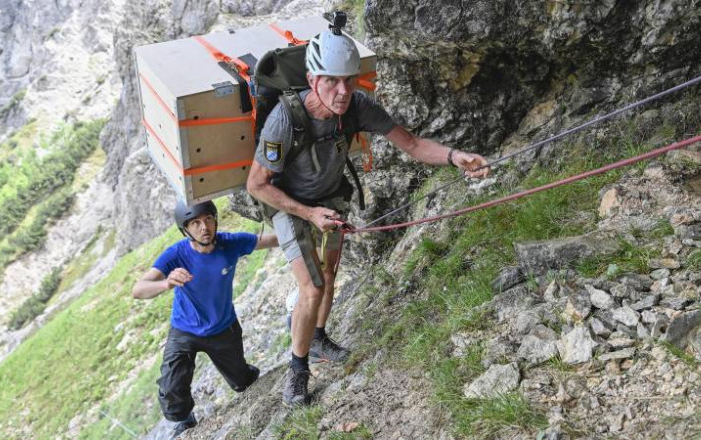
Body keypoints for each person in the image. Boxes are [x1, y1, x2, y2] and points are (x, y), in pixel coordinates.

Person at [246, 28, 490, 407]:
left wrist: (456, 157)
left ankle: (319, 337)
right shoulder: (285, 118)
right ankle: (298, 371)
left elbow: (411, 144)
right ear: (313, 79)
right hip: (289, 203)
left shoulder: (359, 107)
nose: (342, 91)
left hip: (330, 198)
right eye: (331, 81)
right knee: (310, 287)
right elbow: (257, 184)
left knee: (327, 275)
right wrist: (309, 213)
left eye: (349, 80)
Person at [132, 199, 278, 437]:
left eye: (208, 219)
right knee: (171, 387)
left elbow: (271, 240)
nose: (204, 227)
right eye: (196, 223)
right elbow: (138, 289)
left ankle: (247, 374)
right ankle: (185, 420)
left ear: (215, 219)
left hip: (223, 327)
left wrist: (308, 223)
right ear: (185, 229)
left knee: (242, 382)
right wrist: (167, 282)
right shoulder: (176, 254)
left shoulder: (231, 243)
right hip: (184, 330)